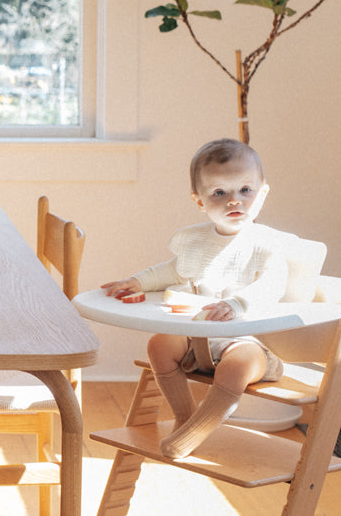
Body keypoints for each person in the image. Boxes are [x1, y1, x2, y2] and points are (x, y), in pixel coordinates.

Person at [101, 138, 293, 459]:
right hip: (201, 340)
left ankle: (197, 431)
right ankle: (186, 416)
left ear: (263, 192)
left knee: (237, 366)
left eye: (245, 190)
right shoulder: (196, 241)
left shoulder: (266, 243)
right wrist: (137, 281)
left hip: (252, 342)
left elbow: (272, 285)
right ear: (200, 201)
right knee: (159, 345)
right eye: (219, 193)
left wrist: (237, 305)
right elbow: (174, 270)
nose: (235, 201)